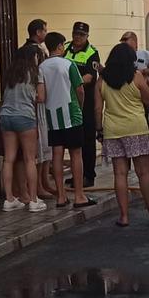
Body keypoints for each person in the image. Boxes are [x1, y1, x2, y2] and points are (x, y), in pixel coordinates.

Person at [95, 43, 149, 227]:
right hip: (137, 129)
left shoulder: (102, 80)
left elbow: (98, 108)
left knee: (120, 174)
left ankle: (124, 216)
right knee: (144, 173)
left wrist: (99, 129)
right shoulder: (136, 77)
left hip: (113, 130)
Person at [42, 31, 97, 208]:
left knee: (57, 155)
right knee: (76, 153)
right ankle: (79, 196)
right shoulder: (68, 64)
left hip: (52, 115)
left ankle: (61, 196)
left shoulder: (41, 67)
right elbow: (80, 89)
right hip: (71, 113)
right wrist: (80, 107)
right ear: (59, 46)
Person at [0, 45, 47, 213]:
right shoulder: (35, 72)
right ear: (32, 57)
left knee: (9, 159)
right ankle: (33, 200)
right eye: (37, 56)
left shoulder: (10, 73)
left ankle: (9, 199)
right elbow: (41, 97)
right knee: (29, 159)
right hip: (25, 117)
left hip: (6, 116)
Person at [64, 22, 101, 189]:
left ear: (87, 36)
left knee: (87, 140)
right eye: (75, 34)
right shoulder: (65, 47)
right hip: (67, 100)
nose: (77, 37)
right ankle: (77, 175)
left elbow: (89, 77)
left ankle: (88, 175)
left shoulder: (92, 52)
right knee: (73, 140)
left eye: (81, 35)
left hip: (85, 102)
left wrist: (72, 82)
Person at [24, 19, 56, 199]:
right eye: (44, 30)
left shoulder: (31, 50)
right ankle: (38, 186)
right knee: (40, 147)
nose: (46, 33)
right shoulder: (34, 51)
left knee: (45, 146)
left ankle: (44, 181)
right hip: (35, 101)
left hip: (37, 101)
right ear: (38, 32)